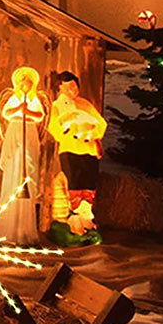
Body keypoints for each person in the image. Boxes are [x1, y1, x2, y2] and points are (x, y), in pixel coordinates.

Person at [46, 71, 107, 246]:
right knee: (74, 182)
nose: (74, 90)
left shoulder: (84, 104)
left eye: (75, 86)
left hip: (88, 150)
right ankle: (73, 221)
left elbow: (100, 124)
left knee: (89, 183)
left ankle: (88, 220)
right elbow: (55, 128)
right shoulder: (57, 107)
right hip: (70, 149)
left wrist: (91, 134)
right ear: (60, 88)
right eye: (69, 86)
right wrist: (70, 130)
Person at [0, 66, 49, 245]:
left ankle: (25, 228)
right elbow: (5, 113)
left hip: (28, 133)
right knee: (14, 171)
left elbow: (40, 115)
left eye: (28, 83)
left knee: (27, 170)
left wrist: (27, 111)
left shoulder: (35, 100)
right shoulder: (15, 98)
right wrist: (19, 108)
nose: (25, 85)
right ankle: (8, 226)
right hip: (15, 132)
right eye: (23, 82)